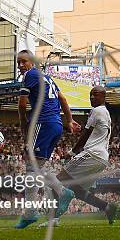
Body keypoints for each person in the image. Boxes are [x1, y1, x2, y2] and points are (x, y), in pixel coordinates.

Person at [15, 50, 81, 229]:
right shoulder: (48, 78)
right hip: (56, 125)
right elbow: (63, 99)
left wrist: (24, 127)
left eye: (24, 62)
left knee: (31, 165)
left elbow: (22, 105)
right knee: (39, 166)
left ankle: (30, 212)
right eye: (18, 62)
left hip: (42, 123)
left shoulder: (30, 75)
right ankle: (62, 192)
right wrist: (69, 120)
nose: (21, 66)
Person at [40, 86, 118, 227]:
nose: (92, 98)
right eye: (90, 95)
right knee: (78, 191)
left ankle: (53, 219)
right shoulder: (106, 113)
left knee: (59, 181)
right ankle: (107, 207)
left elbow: (85, 136)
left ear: (103, 97)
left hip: (91, 154)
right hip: (102, 158)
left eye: (96, 95)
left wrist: (72, 152)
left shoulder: (96, 111)